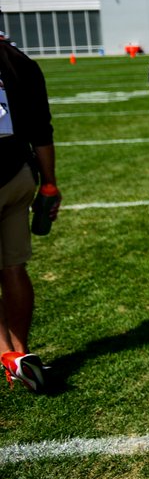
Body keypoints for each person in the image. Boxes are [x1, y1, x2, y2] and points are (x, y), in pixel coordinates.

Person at [0, 36, 60, 393]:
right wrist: (50, 183)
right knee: (14, 267)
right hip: (19, 173)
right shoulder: (19, 59)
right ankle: (21, 351)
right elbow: (41, 129)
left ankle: (7, 355)